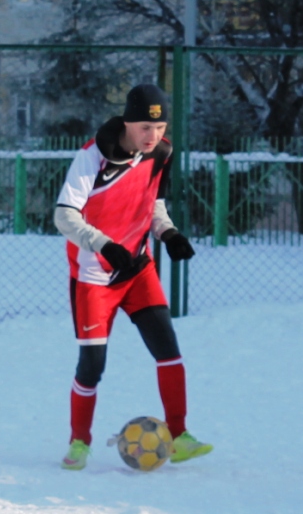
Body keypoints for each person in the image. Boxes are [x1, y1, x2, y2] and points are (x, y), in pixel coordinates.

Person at [52, 84, 211, 471]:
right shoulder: (92, 157)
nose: (153, 136)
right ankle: (79, 443)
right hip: (94, 275)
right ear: (126, 123)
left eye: (159, 128)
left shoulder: (161, 152)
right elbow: (63, 215)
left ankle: (180, 435)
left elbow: (152, 200)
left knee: (168, 350)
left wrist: (167, 232)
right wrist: (103, 245)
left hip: (138, 269)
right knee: (92, 366)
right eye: (145, 128)